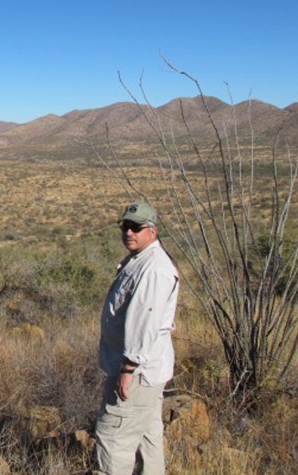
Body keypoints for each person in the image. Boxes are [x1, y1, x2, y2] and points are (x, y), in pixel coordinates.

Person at [94, 201, 179, 475]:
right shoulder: (141, 260)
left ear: (152, 231)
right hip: (147, 371)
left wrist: (128, 368)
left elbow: (145, 320)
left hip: (138, 373)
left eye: (136, 228)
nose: (129, 232)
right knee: (147, 440)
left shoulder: (153, 268)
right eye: (125, 226)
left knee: (113, 439)